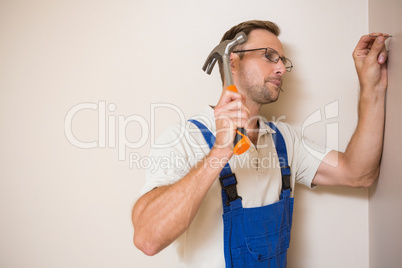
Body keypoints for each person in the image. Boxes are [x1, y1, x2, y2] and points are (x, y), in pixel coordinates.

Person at [131, 20, 389, 267]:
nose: (281, 69)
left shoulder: (285, 141)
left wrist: (372, 87)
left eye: (282, 61)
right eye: (268, 56)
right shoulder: (184, 138)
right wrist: (220, 151)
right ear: (232, 61)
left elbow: (359, 173)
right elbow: (147, 239)